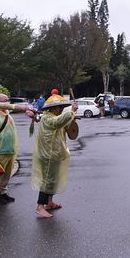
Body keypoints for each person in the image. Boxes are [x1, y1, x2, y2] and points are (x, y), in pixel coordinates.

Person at [30, 90, 78, 218]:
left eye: (63, 108)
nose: (62, 110)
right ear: (52, 108)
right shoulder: (47, 118)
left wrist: (72, 116)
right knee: (46, 180)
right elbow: (57, 122)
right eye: (59, 108)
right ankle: (40, 206)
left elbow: (65, 124)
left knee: (53, 180)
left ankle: (49, 203)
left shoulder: (55, 117)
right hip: (47, 155)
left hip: (54, 154)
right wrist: (71, 111)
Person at [0, 93, 21, 205]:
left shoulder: (7, 114)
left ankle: (3, 192)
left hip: (9, 149)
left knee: (7, 174)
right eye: (4, 100)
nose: (7, 102)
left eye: (8, 100)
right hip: (0, 150)